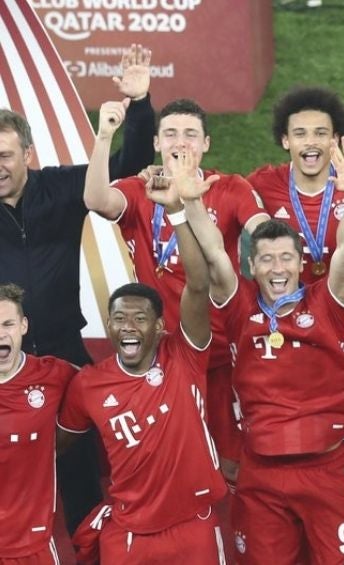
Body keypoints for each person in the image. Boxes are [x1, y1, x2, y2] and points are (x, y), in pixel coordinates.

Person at [0, 43, 156, 534]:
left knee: (81, 474)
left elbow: (129, 168)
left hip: (64, 355)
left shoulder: (62, 187)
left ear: (27, 154)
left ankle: (89, 548)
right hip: (3, 357)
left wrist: (140, 106)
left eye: (4, 156)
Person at [189, 137, 344, 564]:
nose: (277, 268)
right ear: (252, 266)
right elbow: (213, 253)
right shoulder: (239, 308)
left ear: (301, 263)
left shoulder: (327, 304)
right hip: (262, 474)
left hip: (327, 470)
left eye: (286, 258)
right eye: (266, 259)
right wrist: (191, 203)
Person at [83, 97, 269, 483]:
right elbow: (96, 200)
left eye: (190, 134)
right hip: (164, 355)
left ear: (206, 144)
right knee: (170, 458)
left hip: (222, 351)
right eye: (170, 134)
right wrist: (104, 136)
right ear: (156, 143)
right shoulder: (141, 189)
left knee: (233, 461)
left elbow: (264, 232)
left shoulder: (230, 188)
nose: (180, 142)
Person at [57, 147, 228, 562]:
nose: (128, 327)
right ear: (109, 326)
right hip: (129, 535)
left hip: (193, 526)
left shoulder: (184, 354)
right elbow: (55, 446)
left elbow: (199, 285)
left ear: (160, 327)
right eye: (119, 319)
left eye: (139, 318)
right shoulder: (88, 385)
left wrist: (176, 212)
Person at [247, 84, 344, 563]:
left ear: (336, 139)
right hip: (300, 355)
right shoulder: (261, 185)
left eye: (321, 133)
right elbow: (216, 196)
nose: (311, 142)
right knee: (304, 448)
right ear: (284, 140)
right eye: (300, 133)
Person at [0, 284, 77, 564]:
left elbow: (101, 388)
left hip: (33, 545)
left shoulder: (52, 374)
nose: (0, 334)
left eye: (8, 324)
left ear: (23, 325)